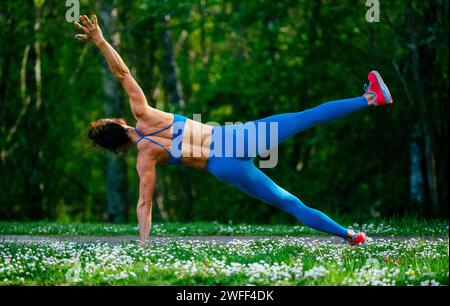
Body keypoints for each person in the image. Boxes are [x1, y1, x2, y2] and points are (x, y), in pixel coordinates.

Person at [75, 14, 393, 246]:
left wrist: (144, 246)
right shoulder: (144, 114)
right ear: (120, 122)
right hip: (234, 137)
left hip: (224, 167)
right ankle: (369, 97)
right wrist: (101, 41)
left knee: (291, 203)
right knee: (307, 116)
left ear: (116, 148)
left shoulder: (144, 159)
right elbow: (122, 73)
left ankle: (352, 236)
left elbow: (144, 206)